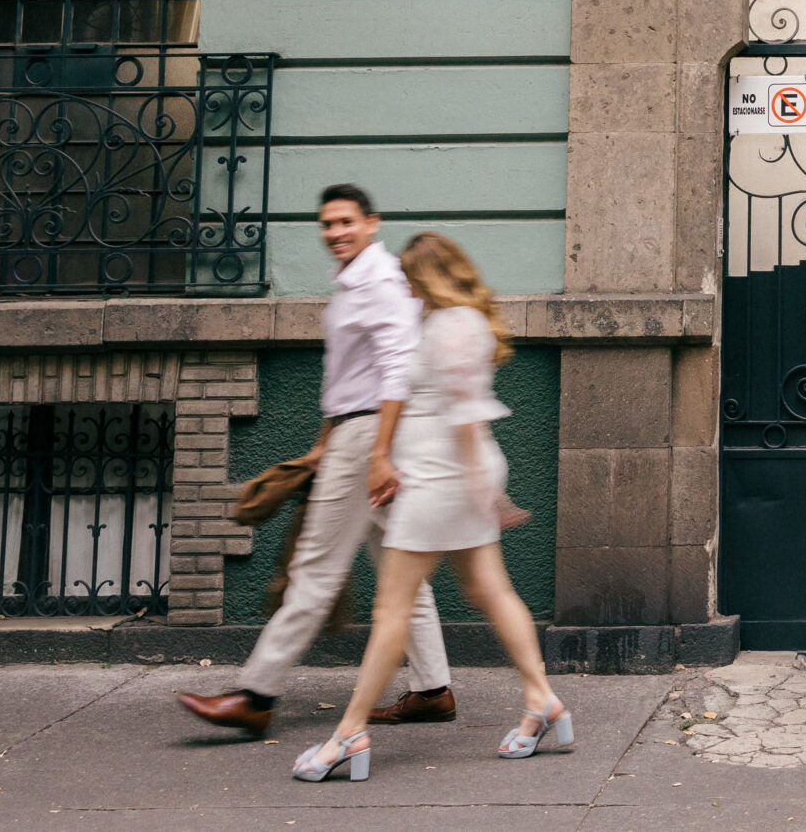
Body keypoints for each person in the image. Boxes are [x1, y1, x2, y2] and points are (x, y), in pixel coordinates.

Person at [177, 186, 455, 737]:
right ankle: (433, 690)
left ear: (371, 223)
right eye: (327, 224)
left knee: (314, 569)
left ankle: (256, 694)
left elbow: (397, 369)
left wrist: (375, 453)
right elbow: (355, 375)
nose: (336, 233)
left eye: (346, 222)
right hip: (356, 432)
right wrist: (323, 440)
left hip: (370, 436)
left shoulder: (377, 282)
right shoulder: (355, 281)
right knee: (401, 569)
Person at [291, 232, 568, 783]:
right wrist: (486, 489)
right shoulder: (459, 321)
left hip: (438, 482)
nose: (407, 291)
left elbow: (466, 417)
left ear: (425, 279)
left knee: (392, 611)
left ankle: (347, 733)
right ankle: (541, 699)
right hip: (454, 479)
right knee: (490, 591)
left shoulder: (448, 328)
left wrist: (482, 491)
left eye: (411, 281)